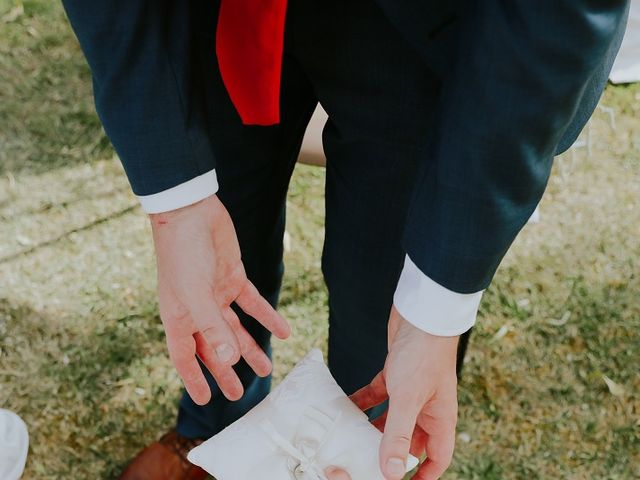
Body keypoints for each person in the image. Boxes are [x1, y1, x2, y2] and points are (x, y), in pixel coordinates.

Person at [61, 0, 628, 479]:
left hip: (430, 31)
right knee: (218, 248)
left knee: (386, 311)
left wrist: (438, 306)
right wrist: (175, 200)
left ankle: (358, 457)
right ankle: (214, 429)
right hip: (223, 13)